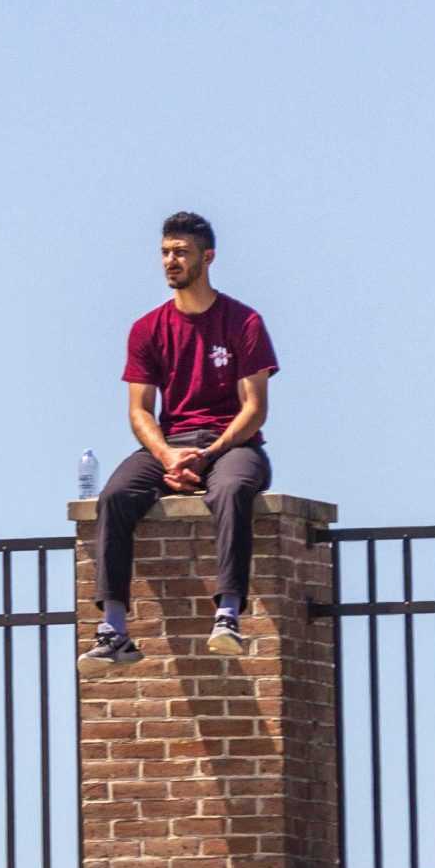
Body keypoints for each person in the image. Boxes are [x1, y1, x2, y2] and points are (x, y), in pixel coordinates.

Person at [83, 210, 280, 671]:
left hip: (233, 444)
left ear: (207, 257)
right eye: (166, 253)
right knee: (114, 495)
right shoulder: (147, 328)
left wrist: (209, 454)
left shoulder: (244, 322)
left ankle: (228, 614)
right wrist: (168, 454)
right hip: (172, 443)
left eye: (182, 252)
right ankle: (114, 630)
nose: (171, 261)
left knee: (230, 490)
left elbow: (255, 408)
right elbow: (138, 411)